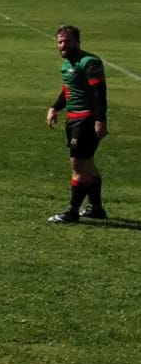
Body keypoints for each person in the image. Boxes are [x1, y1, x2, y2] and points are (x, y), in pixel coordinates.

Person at [46, 25, 108, 223]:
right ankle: (96, 208)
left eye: (67, 41)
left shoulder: (89, 62)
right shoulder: (67, 65)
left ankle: (72, 212)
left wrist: (100, 120)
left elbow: (100, 93)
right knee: (87, 163)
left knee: (79, 165)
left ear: (77, 42)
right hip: (73, 119)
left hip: (86, 119)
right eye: (60, 42)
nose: (63, 45)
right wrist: (55, 107)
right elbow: (68, 89)